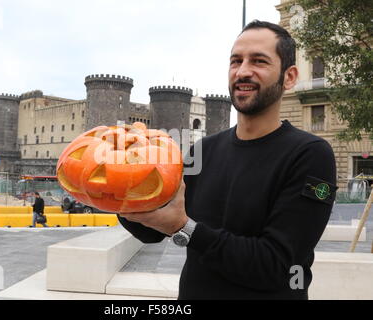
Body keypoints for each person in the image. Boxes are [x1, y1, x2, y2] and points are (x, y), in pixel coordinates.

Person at [118, 20, 338, 299]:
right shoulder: (203, 151)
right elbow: (150, 231)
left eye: (259, 61)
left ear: (289, 77)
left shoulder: (310, 155)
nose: (243, 71)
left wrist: (183, 227)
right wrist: (117, 184)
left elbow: (276, 265)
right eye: (236, 61)